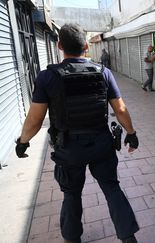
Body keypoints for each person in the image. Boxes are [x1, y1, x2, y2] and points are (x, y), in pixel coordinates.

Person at [14, 24, 139, 243]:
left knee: (71, 195)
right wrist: (131, 133)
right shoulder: (103, 73)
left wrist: (23, 142)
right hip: (101, 144)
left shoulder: (47, 77)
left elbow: (34, 120)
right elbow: (120, 109)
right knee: (111, 188)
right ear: (86, 46)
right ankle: (128, 238)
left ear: (59, 45)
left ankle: (72, 239)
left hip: (69, 148)